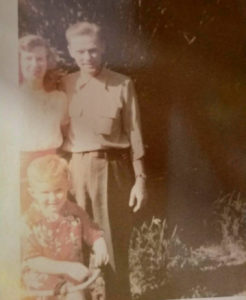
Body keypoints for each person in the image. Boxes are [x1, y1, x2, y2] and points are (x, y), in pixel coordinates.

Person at [61, 22, 147, 299]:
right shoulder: (65, 84)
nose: (88, 58)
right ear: (71, 52)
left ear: (104, 48)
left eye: (94, 51)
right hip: (74, 172)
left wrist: (140, 181)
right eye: (81, 52)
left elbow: (135, 134)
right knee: (74, 245)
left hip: (112, 171)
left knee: (113, 245)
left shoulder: (123, 84)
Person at [21, 154, 109, 300]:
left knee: (77, 295)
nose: (53, 198)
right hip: (42, 282)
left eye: (58, 190)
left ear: (68, 185)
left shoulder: (75, 212)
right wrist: (67, 267)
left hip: (72, 277)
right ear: (33, 193)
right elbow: (32, 260)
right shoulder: (30, 221)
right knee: (73, 295)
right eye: (45, 192)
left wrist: (99, 243)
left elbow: (91, 232)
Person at [19, 34, 69, 211]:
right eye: (28, 58)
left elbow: (65, 131)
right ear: (19, 62)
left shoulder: (59, 98)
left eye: (40, 59)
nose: (35, 64)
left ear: (48, 62)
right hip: (19, 168)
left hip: (52, 167)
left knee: (51, 221)